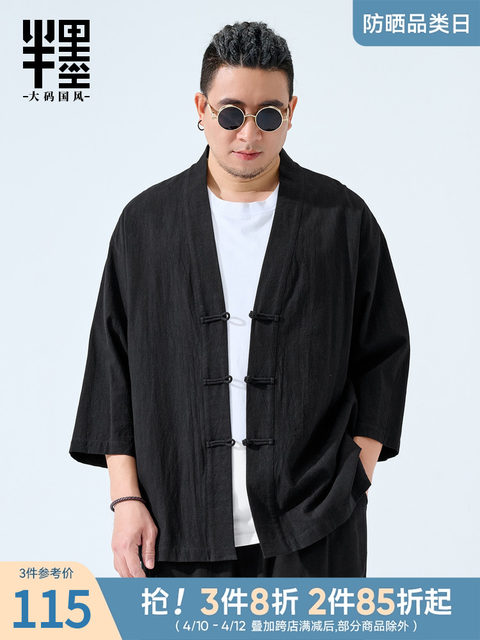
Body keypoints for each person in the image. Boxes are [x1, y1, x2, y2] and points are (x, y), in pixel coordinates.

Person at [69, 21, 410, 578]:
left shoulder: (341, 220)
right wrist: (126, 500)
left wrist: (355, 475)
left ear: (291, 112)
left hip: (314, 521)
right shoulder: (146, 225)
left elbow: (384, 353)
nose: (248, 134)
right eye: (231, 114)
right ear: (201, 109)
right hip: (176, 522)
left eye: (268, 115)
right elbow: (113, 369)